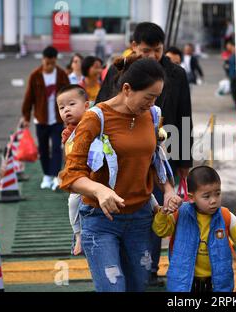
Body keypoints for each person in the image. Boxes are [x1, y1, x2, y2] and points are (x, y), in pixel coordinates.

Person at [59, 57, 182, 292]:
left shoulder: (153, 115)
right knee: (113, 288)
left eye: (156, 96)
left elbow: (154, 158)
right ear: (127, 89)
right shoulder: (95, 119)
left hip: (141, 218)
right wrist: (99, 190)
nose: (153, 102)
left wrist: (167, 190)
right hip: (101, 219)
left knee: (137, 287)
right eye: (148, 96)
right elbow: (70, 175)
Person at [96, 22, 194, 286]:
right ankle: (125, 260)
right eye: (147, 50)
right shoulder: (119, 71)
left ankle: (149, 266)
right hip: (123, 157)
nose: (153, 56)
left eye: (158, 50)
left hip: (164, 153)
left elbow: (185, 116)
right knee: (130, 206)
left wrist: (184, 160)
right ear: (134, 46)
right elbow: (99, 108)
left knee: (159, 210)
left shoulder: (176, 74)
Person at [153, 165, 236, 292]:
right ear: (191, 197)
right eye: (207, 196)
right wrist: (164, 212)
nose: (214, 200)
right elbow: (160, 230)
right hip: (184, 284)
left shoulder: (225, 216)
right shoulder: (180, 214)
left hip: (217, 284)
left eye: (217, 194)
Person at [21, 45, 70, 190]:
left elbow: (68, 95)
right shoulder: (35, 76)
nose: (49, 66)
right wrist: (26, 117)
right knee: (42, 148)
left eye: (52, 63)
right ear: (43, 60)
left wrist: (68, 117)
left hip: (57, 119)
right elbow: (28, 98)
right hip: (40, 119)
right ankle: (46, 175)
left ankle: (55, 176)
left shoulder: (61, 75)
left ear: (55, 60)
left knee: (56, 147)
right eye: (47, 62)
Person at [57, 85, 90, 256]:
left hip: (95, 174)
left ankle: (155, 207)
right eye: (62, 108)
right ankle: (78, 234)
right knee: (73, 202)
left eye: (71, 104)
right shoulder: (67, 132)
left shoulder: (94, 123)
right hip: (79, 176)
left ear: (86, 106)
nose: (66, 110)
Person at [225, 39, 236, 107]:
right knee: (233, 90)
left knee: (234, 90)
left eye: (228, 45)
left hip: (235, 75)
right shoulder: (231, 55)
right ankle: (235, 103)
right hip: (232, 75)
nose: (227, 47)